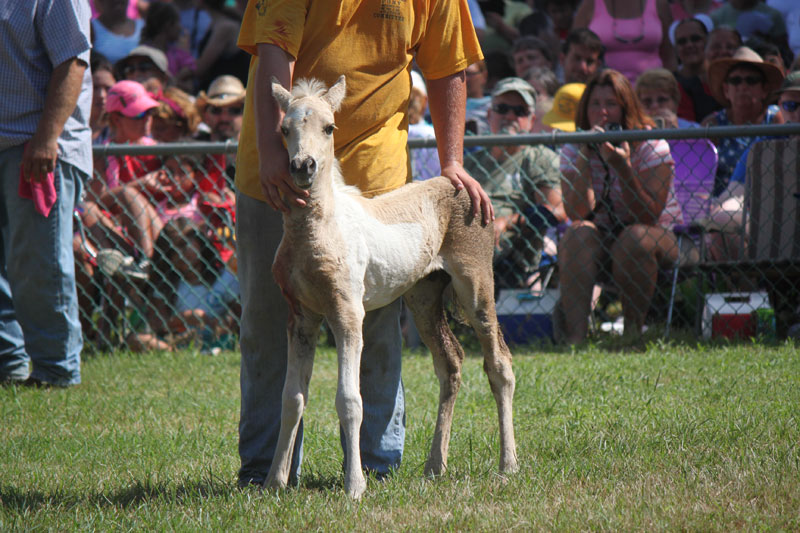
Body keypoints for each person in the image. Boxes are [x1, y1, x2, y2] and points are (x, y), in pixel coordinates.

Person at [235, 0, 493, 488]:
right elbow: (274, 52)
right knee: (271, 321)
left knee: (375, 324)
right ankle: (265, 469)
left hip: (377, 177)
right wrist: (273, 152)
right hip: (281, 174)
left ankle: (376, 464)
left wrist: (452, 160)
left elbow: (448, 64)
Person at [0, 0, 92, 387]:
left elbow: (72, 60)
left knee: (37, 263)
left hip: (36, 146)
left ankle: (56, 368)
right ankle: (9, 363)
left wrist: (46, 138)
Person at [558, 69, 682, 342]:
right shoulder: (572, 148)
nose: (603, 113)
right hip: (603, 235)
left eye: (611, 104)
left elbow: (648, 215)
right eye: (595, 104)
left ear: (626, 108)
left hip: (660, 235)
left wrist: (623, 169)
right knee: (577, 233)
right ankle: (576, 341)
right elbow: (576, 213)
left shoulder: (651, 143)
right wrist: (583, 154)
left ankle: (632, 334)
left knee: (633, 238)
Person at [465, 77, 567, 288]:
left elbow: (556, 210)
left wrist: (508, 221)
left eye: (519, 111)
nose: (510, 116)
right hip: (465, 235)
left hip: (512, 250)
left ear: (531, 121)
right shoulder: (471, 162)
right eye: (502, 108)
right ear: (489, 114)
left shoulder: (538, 158)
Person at [129, 217, 239, 353]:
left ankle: (212, 350)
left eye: (184, 245)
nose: (180, 254)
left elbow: (240, 316)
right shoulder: (167, 284)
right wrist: (184, 318)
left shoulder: (224, 279)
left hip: (217, 337)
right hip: (178, 339)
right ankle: (174, 352)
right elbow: (158, 325)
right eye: (172, 252)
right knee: (137, 339)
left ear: (199, 243)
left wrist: (223, 323)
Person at [701, 46, 784, 196]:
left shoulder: (776, 119)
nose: (743, 86)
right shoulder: (712, 123)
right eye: (735, 81)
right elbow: (699, 174)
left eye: (751, 80)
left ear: (764, 89)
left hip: (765, 200)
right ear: (726, 90)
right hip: (719, 203)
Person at [573, 0, 676, 84]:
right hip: (605, 93)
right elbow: (574, 50)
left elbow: (669, 56)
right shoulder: (590, 4)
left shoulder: (659, 4)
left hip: (652, 94)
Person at [671, 16, 721, 123]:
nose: (689, 45)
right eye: (682, 41)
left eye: (695, 39)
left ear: (707, 41)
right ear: (675, 48)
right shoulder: (669, 83)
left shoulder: (723, 79)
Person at [140, 1, 197, 93]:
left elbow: (189, 85)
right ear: (168, 25)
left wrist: (174, 80)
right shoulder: (142, 55)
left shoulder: (178, 54)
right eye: (177, 23)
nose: (180, 28)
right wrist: (174, 82)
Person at [635, 68, 701, 128]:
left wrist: (674, 131)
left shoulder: (694, 129)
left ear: (675, 101)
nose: (655, 106)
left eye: (662, 100)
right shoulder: (633, 131)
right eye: (647, 101)